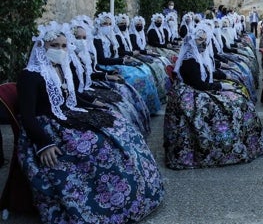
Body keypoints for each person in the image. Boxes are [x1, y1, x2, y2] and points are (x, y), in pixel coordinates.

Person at [17, 22, 164, 223]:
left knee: (119, 126)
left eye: (63, 46)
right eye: (54, 46)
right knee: (99, 145)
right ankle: (104, 200)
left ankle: (137, 192)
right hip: (48, 126)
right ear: (42, 47)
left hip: (68, 116)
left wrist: (94, 104)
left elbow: (72, 97)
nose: (60, 50)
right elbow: (27, 115)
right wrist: (44, 143)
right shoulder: (30, 75)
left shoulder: (61, 68)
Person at [164, 24, 263, 169]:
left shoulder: (199, 56)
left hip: (201, 88)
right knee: (230, 105)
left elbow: (209, 72)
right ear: (193, 40)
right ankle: (224, 146)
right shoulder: (190, 60)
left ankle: (242, 141)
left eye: (205, 40)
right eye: (200, 40)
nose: (203, 43)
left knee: (238, 96)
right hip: (192, 94)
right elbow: (199, 84)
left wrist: (226, 76)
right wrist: (220, 86)